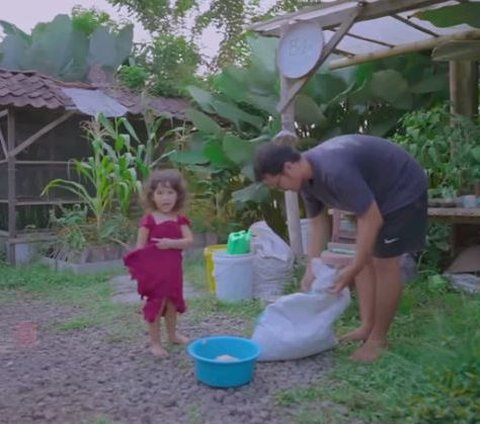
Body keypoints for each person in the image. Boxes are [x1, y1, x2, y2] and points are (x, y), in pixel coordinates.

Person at [253, 133, 428, 362]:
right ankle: (367, 326)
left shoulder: (333, 170)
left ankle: (378, 340)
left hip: (402, 189)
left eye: (278, 184)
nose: (282, 189)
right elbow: (318, 224)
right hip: (375, 196)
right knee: (364, 256)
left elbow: (371, 218)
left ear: (289, 167)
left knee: (384, 262)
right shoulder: (306, 182)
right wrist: (310, 269)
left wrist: (354, 267)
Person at [124, 169, 193, 357]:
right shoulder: (149, 220)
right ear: (152, 196)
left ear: (178, 195)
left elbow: (189, 241)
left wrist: (171, 244)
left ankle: (173, 334)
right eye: (160, 193)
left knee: (172, 303)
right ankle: (154, 342)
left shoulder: (179, 219)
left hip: (173, 271)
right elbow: (139, 248)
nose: (165, 197)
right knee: (157, 303)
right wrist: (141, 272)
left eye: (170, 192)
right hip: (155, 273)